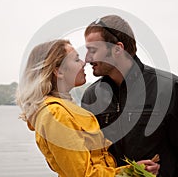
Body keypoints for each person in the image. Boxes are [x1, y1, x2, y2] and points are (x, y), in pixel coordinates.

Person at [81, 15, 178, 177]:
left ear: (117, 49)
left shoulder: (169, 88)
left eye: (93, 50)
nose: (87, 59)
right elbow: (91, 159)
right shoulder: (91, 96)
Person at [16, 39, 159, 177]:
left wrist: (135, 170)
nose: (84, 62)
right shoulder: (55, 115)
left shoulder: (62, 109)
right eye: (76, 59)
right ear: (58, 71)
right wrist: (133, 173)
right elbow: (83, 174)